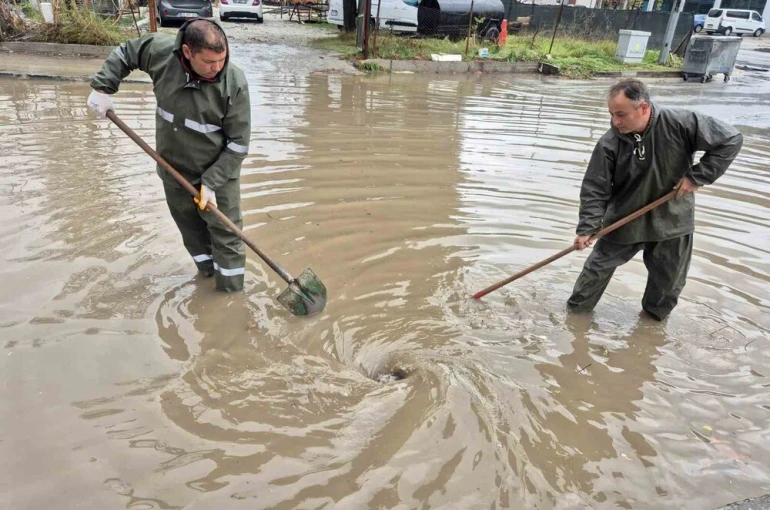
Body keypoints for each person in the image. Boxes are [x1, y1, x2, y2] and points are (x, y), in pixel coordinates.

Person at [87, 20, 251, 292]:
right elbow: (127, 52)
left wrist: (211, 182)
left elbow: (238, 145)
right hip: (172, 169)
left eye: (222, 59)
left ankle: (230, 295)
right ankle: (207, 275)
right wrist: (103, 88)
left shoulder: (233, 83)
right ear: (187, 52)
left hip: (217, 174)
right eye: (209, 62)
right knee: (191, 231)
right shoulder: (161, 53)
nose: (217, 68)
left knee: (227, 236)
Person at [567, 79, 742, 320]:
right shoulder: (610, 142)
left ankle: (650, 330)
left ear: (644, 108)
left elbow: (730, 140)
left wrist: (697, 177)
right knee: (595, 271)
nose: (615, 122)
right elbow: (595, 189)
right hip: (624, 219)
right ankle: (575, 317)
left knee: (667, 284)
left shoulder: (681, 123)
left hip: (673, 219)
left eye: (621, 115)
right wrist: (587, 228)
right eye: (612, 115)